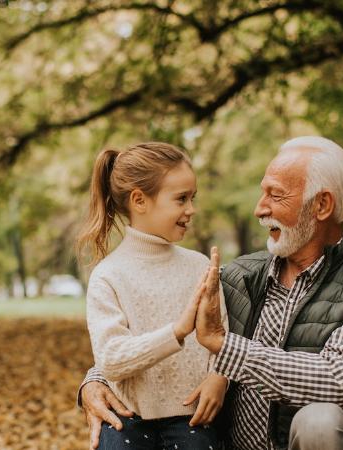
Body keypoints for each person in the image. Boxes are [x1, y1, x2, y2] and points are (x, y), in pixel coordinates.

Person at [79, 137, 343, 450]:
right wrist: (96, 381)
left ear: (321, 205)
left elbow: (342, 378)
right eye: (261, 193)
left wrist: (227, 349)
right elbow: (156, 320)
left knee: (318, 422)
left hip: (322, 440)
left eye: (275, 195)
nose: (259, 209)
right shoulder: (238, 276)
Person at [77, 142, 229, 450]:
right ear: (139, 200)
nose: (191, 209)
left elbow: (222, 335)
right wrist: (176, 331)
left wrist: (219, 378)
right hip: (128, 418)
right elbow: (111, 360)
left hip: (192, 418)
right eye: (181, 199)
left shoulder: (198, 265)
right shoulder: (108, 276)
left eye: (192, 197)